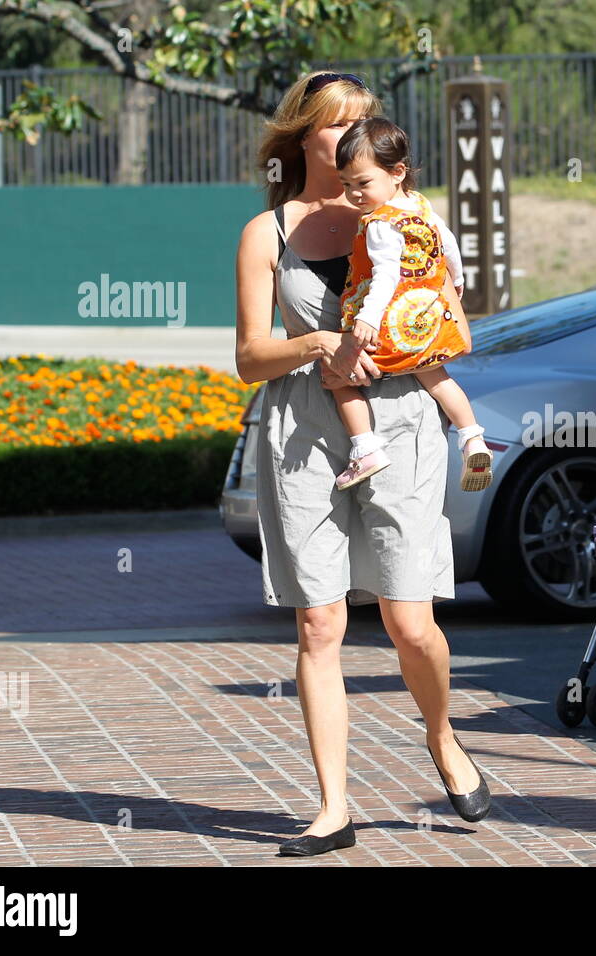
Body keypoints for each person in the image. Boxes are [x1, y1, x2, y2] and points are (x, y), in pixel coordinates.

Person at [234, 70, 491, 857]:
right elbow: (249, 359)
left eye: (364, 123)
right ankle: (334, 807)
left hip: (405, 425)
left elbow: (453, 326)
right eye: (335, 126)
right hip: (305, 432)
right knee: (319, 620)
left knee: (411, 625)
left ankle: (442, 735)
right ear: (304, 136)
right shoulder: (266, 234)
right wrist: (317, 344)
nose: (350, 137)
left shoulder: (406, 216)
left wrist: (426, 322)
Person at [329, 116, 493, 493]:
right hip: (425, 319)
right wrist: (458, 275)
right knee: (438, 379)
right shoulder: (418, 205)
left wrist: (367, 318)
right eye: (346, 184)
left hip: (387, 325)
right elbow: (447, 240)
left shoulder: (380, 224)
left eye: (363, 182)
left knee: (336, 378)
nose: (354, 193)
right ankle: (472, 438)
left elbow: (385, 274)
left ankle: (366, 447)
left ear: (397, 171)